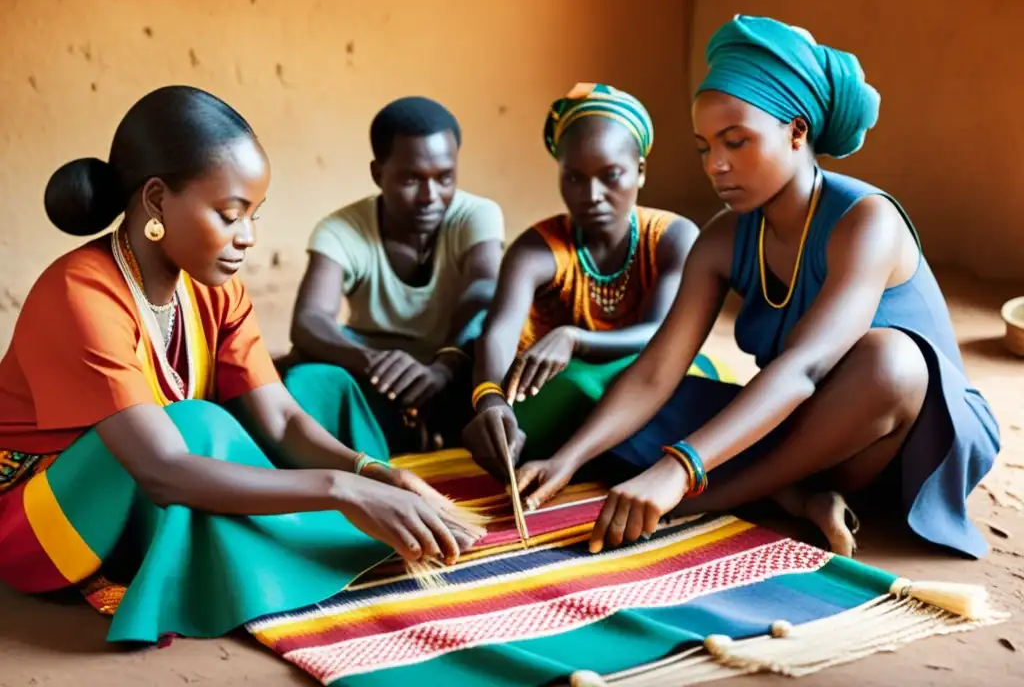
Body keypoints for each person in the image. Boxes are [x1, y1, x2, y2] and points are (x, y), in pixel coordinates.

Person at [0, 86, 477, 643]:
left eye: (254, 214)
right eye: (230, 215)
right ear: (156, 201)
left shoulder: (214, 289)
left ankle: (267, 541)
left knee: (317, 386)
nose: (247, 238)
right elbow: (163, 468)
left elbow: (281, 420)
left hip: (151, 475)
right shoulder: (79, 292)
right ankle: (260, 557)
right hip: (41, 517)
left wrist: (373, 472)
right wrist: (341, 491)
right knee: (198, 424)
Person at [515, 17, 999, 560]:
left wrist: (680, 470)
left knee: (891, 362)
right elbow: (656, 371)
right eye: (704, 147)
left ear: (797, 132)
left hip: (898, 446)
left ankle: (720, 497)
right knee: (607, 395)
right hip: (799, 429)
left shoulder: (867, 220)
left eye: (736, 141)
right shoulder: (723, 238)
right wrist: (570, 460)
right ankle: (796, 495)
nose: (716, 166)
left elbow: (806, 368)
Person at [462, 83, 732, 481]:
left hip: (645, 381)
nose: (592, 195)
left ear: (640, 171)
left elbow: (663, 333)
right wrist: (490, 400)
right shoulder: (537, 249)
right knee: (580, 389)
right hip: (561, 394)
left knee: (698, 377)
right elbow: (498, 332)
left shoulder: (673, 238)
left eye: (611, 176)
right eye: (574, 178)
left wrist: (576, 339)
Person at [289, 97, 504, 454]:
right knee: (304, 379)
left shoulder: (477, 215)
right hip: (375, 375)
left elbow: (483, 293)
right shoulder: (341, 230)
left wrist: (443, 367)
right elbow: (309, 320)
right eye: (410, 179)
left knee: (497, 358)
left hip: (455, 364)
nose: (429, 196)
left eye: (444, 178)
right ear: (378, 174)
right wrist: (374, 363)